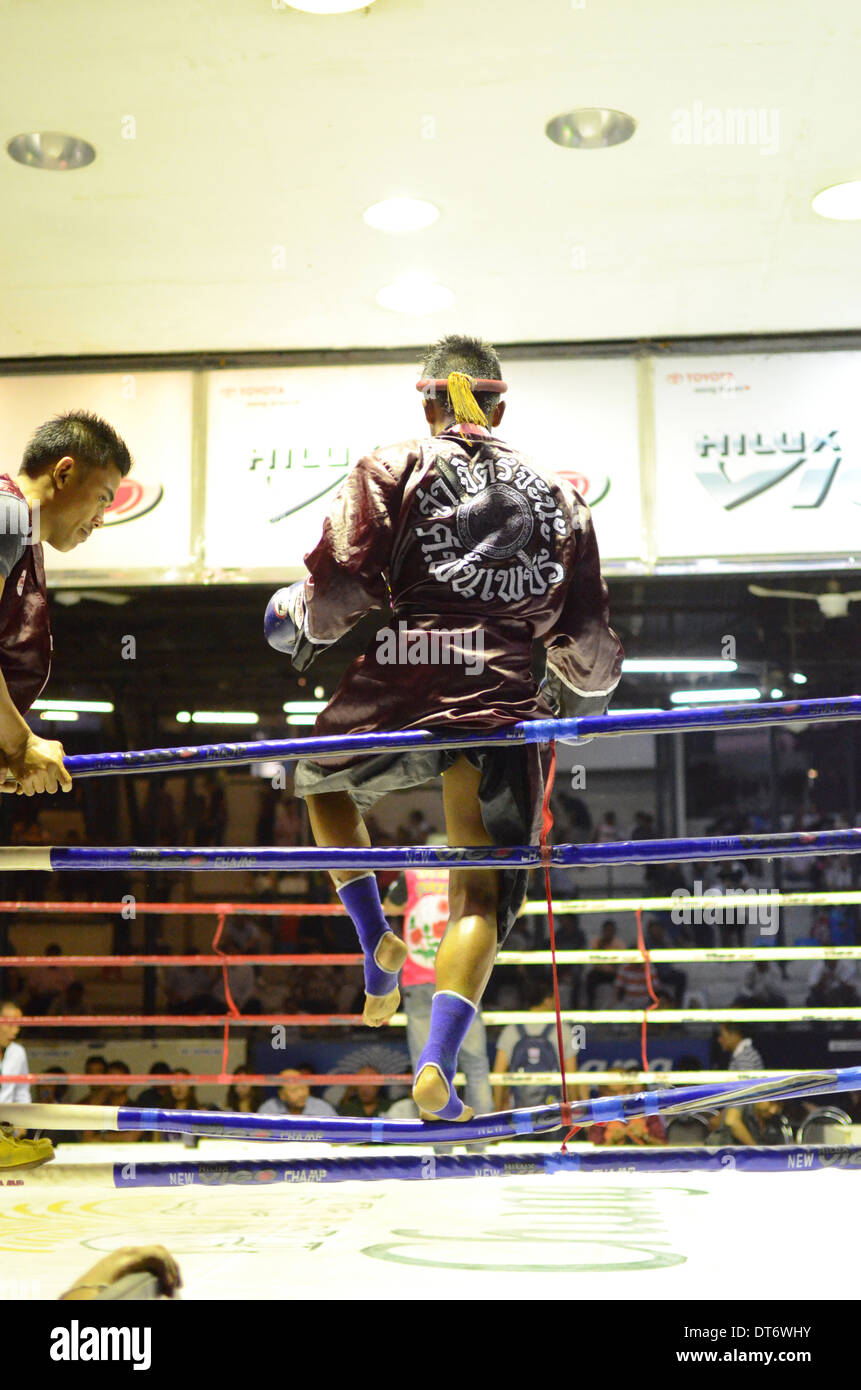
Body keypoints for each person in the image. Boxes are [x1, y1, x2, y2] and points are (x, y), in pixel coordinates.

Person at [265, 335, 622, 1122]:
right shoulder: (562, 497)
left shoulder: (391, 466)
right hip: (502, 693)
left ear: (427, 400)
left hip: (409, 664)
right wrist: (589, 687)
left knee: (318, 779)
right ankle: (434, 1068)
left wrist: (300, 620)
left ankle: (374, 943)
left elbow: (342, 583)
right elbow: (589, 641)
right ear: (501, 404)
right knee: (478, 897)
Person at [0, 411, 132, 1168]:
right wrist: (21, 742)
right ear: (65, 474)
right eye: (104, 496)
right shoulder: (9, 512)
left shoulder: (20, 537)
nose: (103, 516)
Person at [383, 846, 494, 1116]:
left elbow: (390, 905)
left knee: (427, 1066)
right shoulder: (467, 872)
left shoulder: (412, 874)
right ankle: (481, 1145)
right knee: (476, 1064)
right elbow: (514, 901)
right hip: (461, 977)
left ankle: (441, 1151)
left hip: (420, 978)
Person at [492, 983, 583, 1112]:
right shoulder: (564, 1030)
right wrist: (573, 1109)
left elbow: (498, 1074)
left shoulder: (510, 1029)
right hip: (554, 1110)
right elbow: (571, 1075)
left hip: (519, 1110)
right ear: (547, 1000)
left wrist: (497, 1109)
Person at [257, 1067, 338, 1119]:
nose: (301, 1094)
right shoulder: (269, 1110)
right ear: (282, 1095)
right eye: (294, 1090)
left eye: (303, 1088)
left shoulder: (322, 1108)